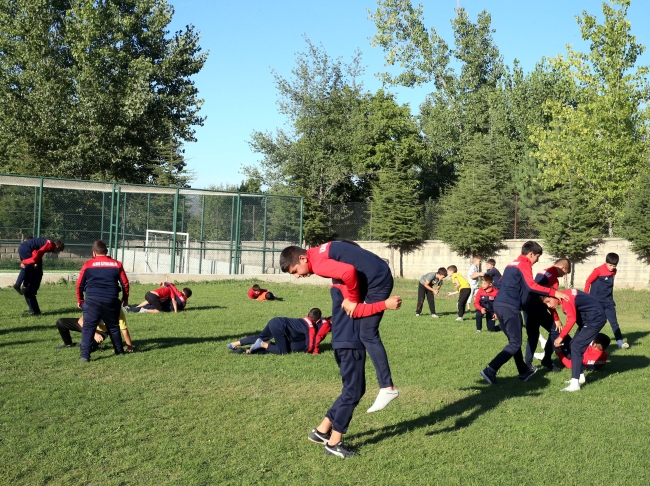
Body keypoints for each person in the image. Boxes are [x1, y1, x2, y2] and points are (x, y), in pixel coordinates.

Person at [280, 241, 399, 413]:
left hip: (378, 280)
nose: (296, 276)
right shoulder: (318, 252)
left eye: (295, 271)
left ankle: (388, 388)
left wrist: (352, 299)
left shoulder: (319, 264)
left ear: (302, 258)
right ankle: (387, 387)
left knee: (367, 334)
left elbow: (348, 271)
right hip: (377, 272)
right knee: (365, 330)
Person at [480, 241, 568, 385]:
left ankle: (523, 370)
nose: (537, 260)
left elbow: (499, 285)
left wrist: (498, 305)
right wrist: (554, 292)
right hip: (510, 307)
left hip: (500, 305)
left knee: (513, 342)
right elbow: (532, 285)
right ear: (531, 253)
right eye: (537, 257)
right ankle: (490, 370)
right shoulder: (524, 264)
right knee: (515, 344)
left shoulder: (511, 264)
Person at [542, 288, 608, 392]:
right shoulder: (564, 295)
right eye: (546, 304)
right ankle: (580, 377)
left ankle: (575, 384)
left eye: (548, 301)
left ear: (555, 295)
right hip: (589, 319)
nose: (549, 306)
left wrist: (560, 337)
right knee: (573, 344)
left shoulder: (567, 299)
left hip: (595, 320)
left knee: (576, 346)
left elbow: (571, 319)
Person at [76, 240, 129, 362]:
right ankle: (119, 351)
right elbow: (125, 284)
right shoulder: (117, 264)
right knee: (114, 327)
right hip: (110, 301)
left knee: (88, 328)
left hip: (92, 301)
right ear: (106, 251)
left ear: (94, 253)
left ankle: (85, 356)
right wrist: (125, 298)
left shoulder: (88, 264)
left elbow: (79, 284)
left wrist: (80, 300)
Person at [523, 258, 571, 371]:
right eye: (565, 273)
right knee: (555, 330)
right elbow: (552, 301)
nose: (563, 275)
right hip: (538, 308)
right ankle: (547, 360)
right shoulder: (553, 279)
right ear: (563, 268)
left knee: (533, 336)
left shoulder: (542, 272)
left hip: (527, 306)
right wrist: (556, 318)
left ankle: (528, 364)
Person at [228, 308, 331, 355]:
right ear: (317, 320)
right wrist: (312, 352)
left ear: (307, 313)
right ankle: (263, 344)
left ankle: (234, 343)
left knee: (260, 336)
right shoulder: (311, 328)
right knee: (283, 351)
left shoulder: (303, 319)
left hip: (275, 320)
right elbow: (310, 344)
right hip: (280, 328)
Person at [585, 253, 629, 349]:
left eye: (614, 266)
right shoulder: (598, 270)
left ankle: (620, 343)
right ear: (606, 263)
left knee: (614, 322)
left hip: (608, 301)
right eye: (610, 265)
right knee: (595, 322)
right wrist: (586, 296)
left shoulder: (614, 271)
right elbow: (588, 281)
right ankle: (589, 342)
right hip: (596, 302)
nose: (612, 268)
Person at [14, 237, 65, 315]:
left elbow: (36, 252)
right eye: (59, 250)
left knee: (27, 270)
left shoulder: (46, 244)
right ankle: (19, 285)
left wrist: (32, 262)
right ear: (57, 247)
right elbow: (39, 253)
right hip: (25, 251)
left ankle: (32, 308)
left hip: (24, 251)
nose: (58, 252)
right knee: (27, 268)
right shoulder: (49, 245)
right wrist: (28, 261)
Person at [54, 309, 134, 353]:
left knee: (85, 348)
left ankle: (88, 344)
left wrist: (129, 347)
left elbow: (124, 330)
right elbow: (81, 321)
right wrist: (94, 334)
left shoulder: (118, 311)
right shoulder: (95, 305)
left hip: (102, 331)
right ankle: (68, 344)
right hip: (88, 327)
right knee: (61, 322)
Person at [125, 282, 192, 313]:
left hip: (156, 299)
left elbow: (170, 285)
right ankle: (133, 309)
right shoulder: (184, 303)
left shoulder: (177, 293)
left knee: (150, 306)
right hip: (167, 308)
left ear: (183, 291)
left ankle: (133, 309)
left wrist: (163, 284)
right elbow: (181, 306)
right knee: (150, 304)